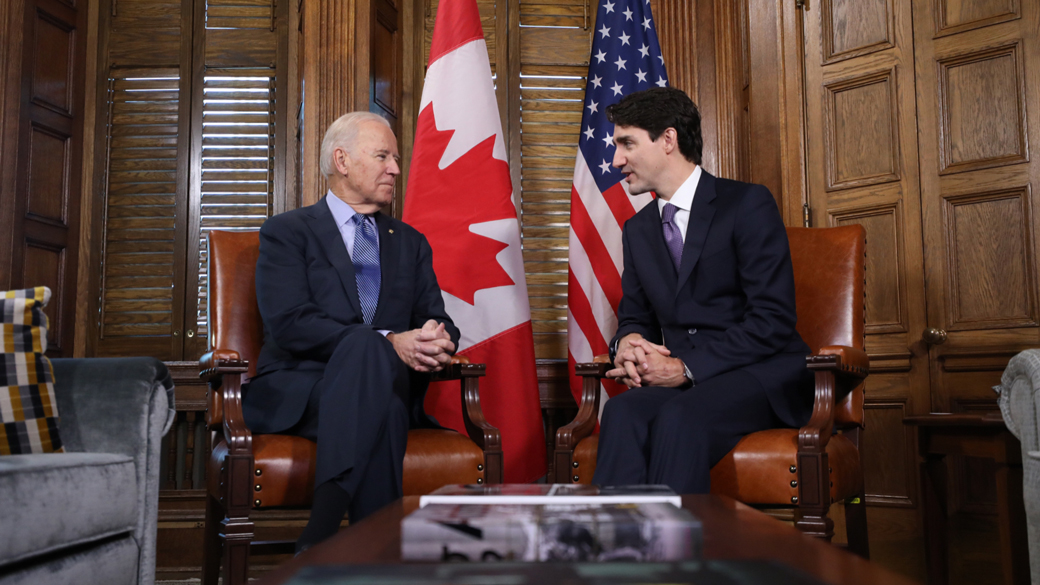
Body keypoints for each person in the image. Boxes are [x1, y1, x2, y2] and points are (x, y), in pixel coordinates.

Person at [242, 111, 459, 551]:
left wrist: (438, 336)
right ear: (341, 160)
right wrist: (385, 341)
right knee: (379, 383)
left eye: (396, 158)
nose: (395, 168)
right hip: (304, 392)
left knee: (378, 379)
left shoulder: (410, 241)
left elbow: (437, 317)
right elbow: (289, 321)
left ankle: (321, 538)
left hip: (380, 387)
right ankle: (376, 555)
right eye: (382, 156)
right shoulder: (288, 232)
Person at [593, 87, 814, 493]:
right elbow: (636, 315)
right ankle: (613, 549)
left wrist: (684, 369)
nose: (615, 160)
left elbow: (773, 320)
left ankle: (672, 554)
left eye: (627, 143)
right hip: (689, 382)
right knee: (622, 413)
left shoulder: (747, 204)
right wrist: (629, 341)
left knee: (681, 418)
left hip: (760, 375)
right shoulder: (637, 231)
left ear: (668, 140)